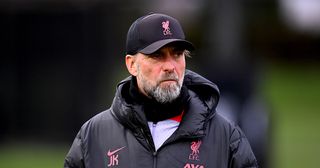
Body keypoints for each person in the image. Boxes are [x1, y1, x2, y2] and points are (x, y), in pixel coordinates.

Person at [64, 13, 258, 168]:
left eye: (177, 54)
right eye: (157, 55)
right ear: (131, 65)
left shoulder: (225, 137)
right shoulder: (93, 136)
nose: (170, 66)